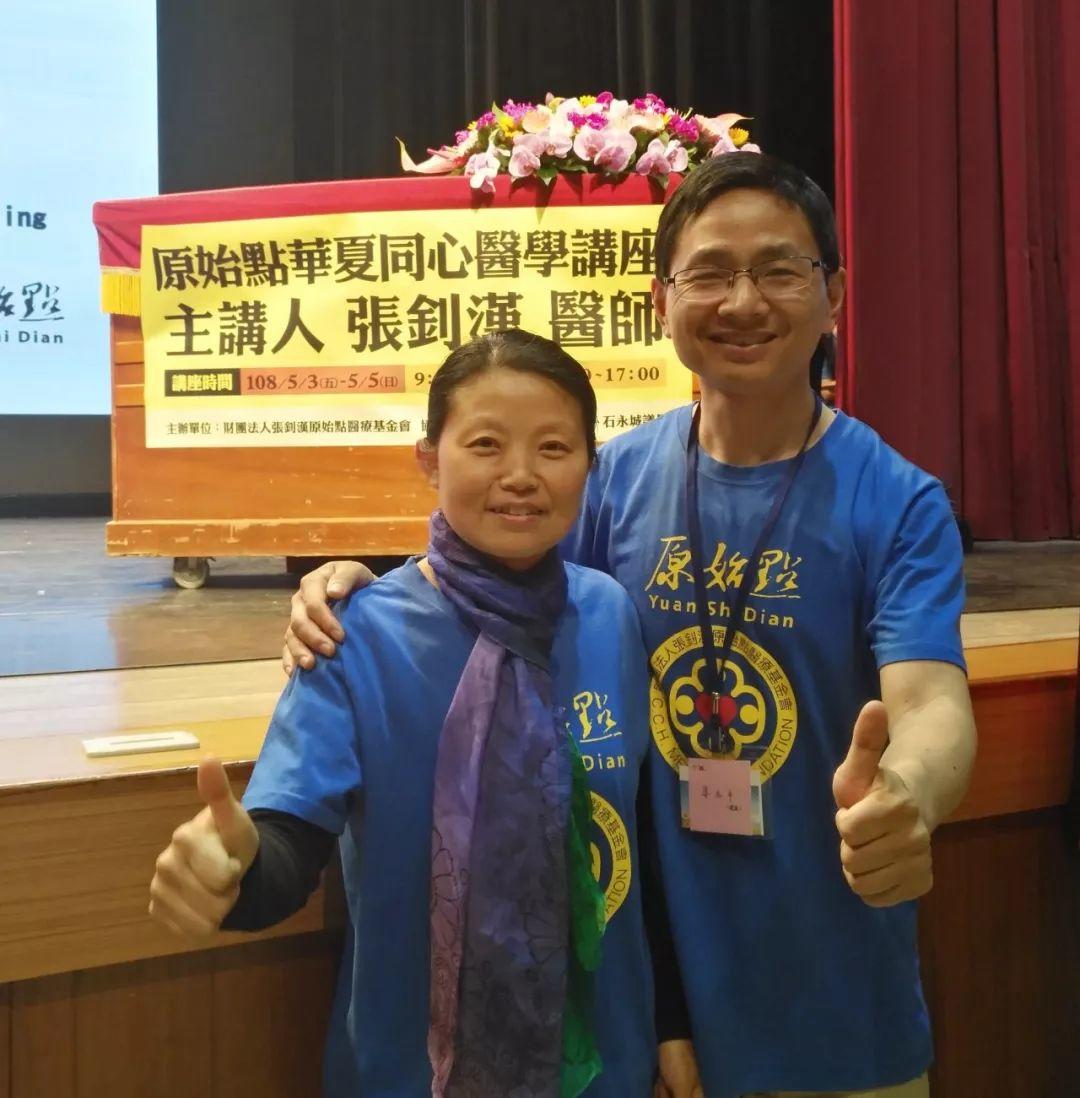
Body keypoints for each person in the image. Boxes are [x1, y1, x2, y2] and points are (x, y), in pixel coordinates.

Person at [283, 153, 977, 1098]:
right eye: (709, 273)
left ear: (834, 296)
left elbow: (932, 703)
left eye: (779, 270)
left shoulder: (897, 500)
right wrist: (360, 587)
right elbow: (497, 586)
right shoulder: (613, 479)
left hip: (838, 1003)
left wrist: (908, 793)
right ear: (663, 301)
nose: (742, 301)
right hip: (649, 1015)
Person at [149, 330, 658, 1098]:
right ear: (429, 460)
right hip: (412, 1074)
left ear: (589, 464)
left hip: (602, 1070)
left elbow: (640, 840)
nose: (521, 475)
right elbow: (289, 840)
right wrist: (235, 870)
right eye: (485, 444)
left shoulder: (610, 614)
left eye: (554, 448)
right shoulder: (355, 634)